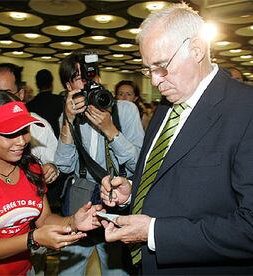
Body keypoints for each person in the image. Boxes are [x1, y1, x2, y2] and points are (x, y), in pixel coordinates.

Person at [99, 3, 253, 275]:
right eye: (148, 69)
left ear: (196, 50)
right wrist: (131, 192)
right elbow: (174, 180)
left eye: (161, 66)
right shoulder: (164, 109)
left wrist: (154, 233)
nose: (154, 81)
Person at [0, 90, 101, 275]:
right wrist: (32, 239)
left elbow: (44, 220)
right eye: (10, 134)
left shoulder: (31, 168)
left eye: (25, 131)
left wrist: (73, 222)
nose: (21, 141)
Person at [55, 51, 145, 275]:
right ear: (69, 85)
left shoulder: (125, 110)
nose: (89, 80)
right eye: (80, 76)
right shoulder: (69, 115)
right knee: (69, 271)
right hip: (81, 203)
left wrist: (111, 130)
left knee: (117, 271)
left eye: (92, 74)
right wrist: (68, 120)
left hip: (117, 200)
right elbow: (64, 166)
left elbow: (138, 165)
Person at [0, 63, 59, 185]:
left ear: (20, 95)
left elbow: (56, 162)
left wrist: (52, 168)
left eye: (6, 94)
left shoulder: (37, 126)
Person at [27, 69, 64, 138]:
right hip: (58, 142)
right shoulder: (61, 101)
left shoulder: (29, 106)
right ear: (51, 84)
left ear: (37, 85)